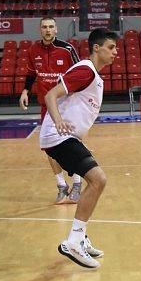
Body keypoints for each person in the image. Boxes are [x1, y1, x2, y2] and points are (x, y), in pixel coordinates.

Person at [41, 28, 118, 269]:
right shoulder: (85, 70)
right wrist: (58, 121)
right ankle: (74, 240)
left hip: (68, 138)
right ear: (97, 48)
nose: (115, 52)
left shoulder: (94, 75)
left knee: (95, 182)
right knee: (98, 180)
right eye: (111, 47)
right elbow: (51, 95)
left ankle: (80, 237)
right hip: (59, 136)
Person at [20, 16, 83, 204]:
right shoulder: (33, 50)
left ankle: (77, 183)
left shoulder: (67, 49)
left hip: (67, 104)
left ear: (56, 30)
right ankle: (62, 186)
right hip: (46, 107)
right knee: (49, 148)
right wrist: (25, 91)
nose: (48, 30)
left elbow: (80, 73)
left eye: (51, 27)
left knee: (72, 146)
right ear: (40, 30)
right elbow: (31, 74)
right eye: (44, 27)